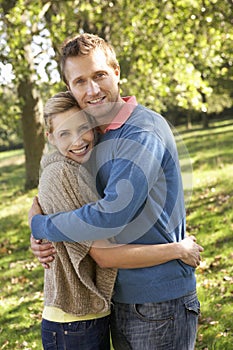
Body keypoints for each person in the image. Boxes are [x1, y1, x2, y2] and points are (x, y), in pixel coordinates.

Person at [29, 33, 203, 349]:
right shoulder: (93, 136)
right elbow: (68, 193)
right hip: (117, 300)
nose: (92, 90)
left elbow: (110, 215)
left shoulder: (141, 132)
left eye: (99, 75)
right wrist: (41, 231)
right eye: (80, 81)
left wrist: (41, 225)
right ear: (69, 88)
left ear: (117, 72)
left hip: (159, 302)